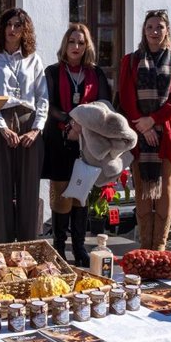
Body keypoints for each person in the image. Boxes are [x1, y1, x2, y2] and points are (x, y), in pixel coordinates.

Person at [119, 9, 171, 251]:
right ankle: (144, 246)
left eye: (159, 27)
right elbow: (126, 96)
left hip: (167, 132)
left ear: (167, 30)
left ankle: (159, 246)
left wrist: (154, 120)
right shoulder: (130, 61)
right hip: (139, 132)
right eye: (150, 27)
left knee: (165, 189)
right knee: (141, 188)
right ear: (144, 30)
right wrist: (142, 122)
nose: (154, 32)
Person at [42, 23, 112, 265]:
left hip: (86, 143)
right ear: (65, 44)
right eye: (72, 41)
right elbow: (47, 105)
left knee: (81, 195)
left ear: (87, 46)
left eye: (81, 42)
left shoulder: (96, 73)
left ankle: (79, 247)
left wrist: (83, 125)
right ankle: (59, 247)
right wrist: (72, 121)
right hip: (59, 141)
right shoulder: (51, 72)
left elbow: (104, 104)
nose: (76, 46)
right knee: (61, 196)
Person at [0, 8, 48, 243]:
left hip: (29, 122)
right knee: (0, 189)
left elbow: (43, 97)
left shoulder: (34, 59)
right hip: (0, 122)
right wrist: (2, 128)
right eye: (8, 25)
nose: (12, 30)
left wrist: (36, 129)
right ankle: (3, 246)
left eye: (18, 26)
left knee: (29, 190)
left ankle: (29, 247)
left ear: (25, 30)